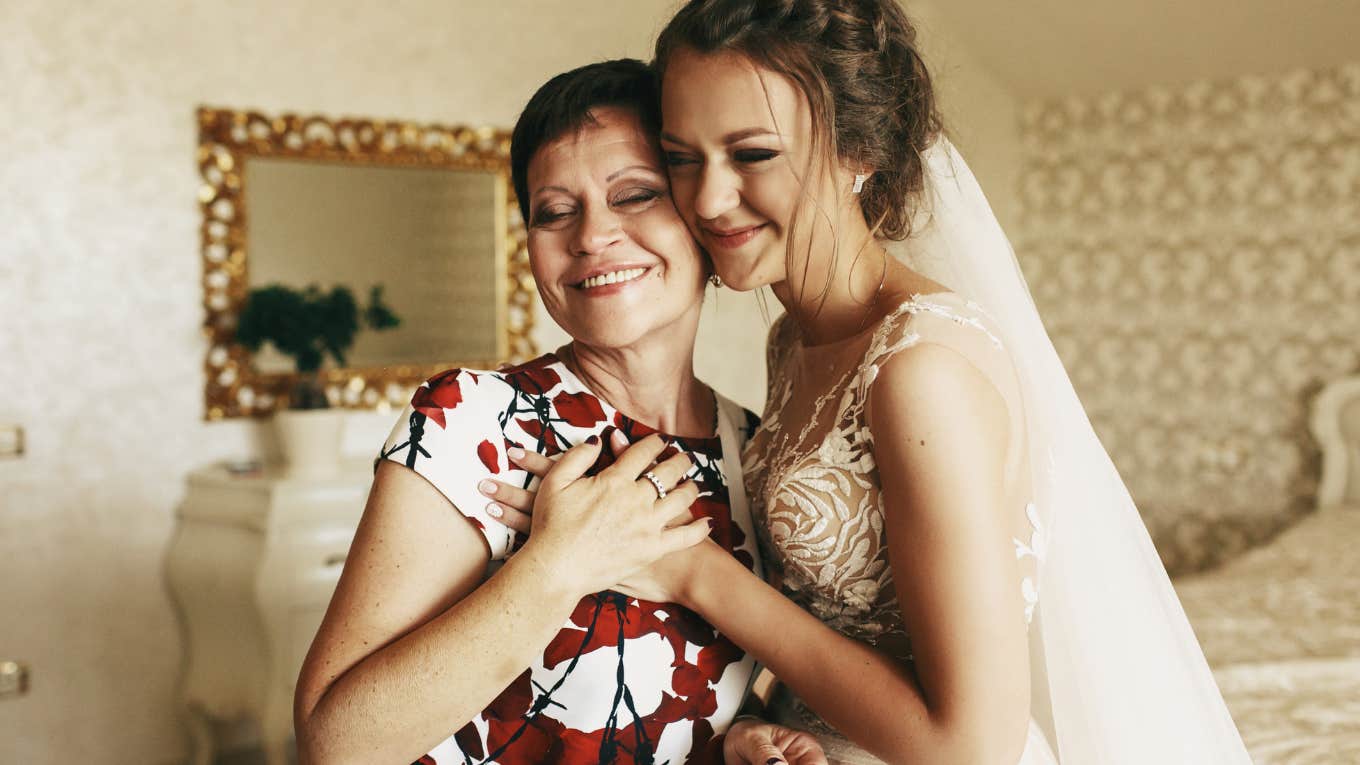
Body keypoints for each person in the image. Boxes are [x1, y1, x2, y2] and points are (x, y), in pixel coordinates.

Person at [491, 1, 1254, 762]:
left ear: (859, 152)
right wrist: (758, 725)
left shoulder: (920, 370)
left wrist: (692, 572)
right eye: (683, 158)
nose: (708, 199)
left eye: (752, 154)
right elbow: (841, 628)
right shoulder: (794, 339)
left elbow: (970, 745)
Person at [292, 58, 826, 765]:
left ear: (703, 218)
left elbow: (655, 702)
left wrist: (737, 736)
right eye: (555, 210)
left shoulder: (750, 446)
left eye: (635, 195)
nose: (591, 235)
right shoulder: (472, 419)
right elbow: (335, 743)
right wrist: (563, 561)